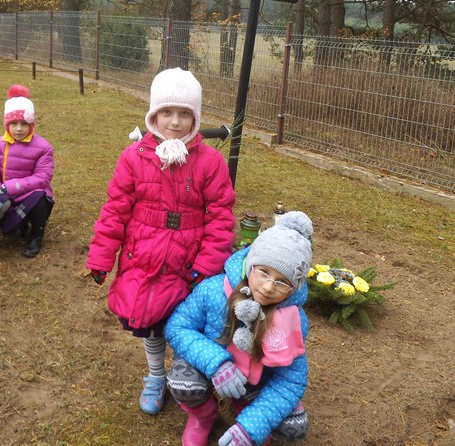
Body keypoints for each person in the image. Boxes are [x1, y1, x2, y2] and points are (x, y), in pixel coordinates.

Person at [86, 67, 236, 416]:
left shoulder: (210, 162)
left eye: (185, 113)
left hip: (188, 259)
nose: (175, 122)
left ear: (196, 117)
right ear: (153, 115)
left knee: (185, 322)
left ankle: (186, 377)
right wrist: (101, 257)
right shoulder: (134, 156)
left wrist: (206, 265)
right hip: (144, 254)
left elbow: (220, 217)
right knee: (151, 321)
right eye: (166, 112)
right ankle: (156, 376)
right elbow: (115, 210)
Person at [164, 212, 314, 446]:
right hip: (207, 365)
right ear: (250, 264)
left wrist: (252, 427)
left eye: (282, 282)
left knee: (295, 426)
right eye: (264, 272)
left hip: (259, 379)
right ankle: (203, 416)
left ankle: (245, 406)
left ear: (294, 287)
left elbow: (291, 380)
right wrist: (217, 364)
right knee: (183, 382)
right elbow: (177, 327)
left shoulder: (294, 319)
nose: (268, 287)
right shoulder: (214, 290)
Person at [0, 84, 54, 259]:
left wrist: (11, 186)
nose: (19, 129)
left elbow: (43, 177)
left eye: (24, 124)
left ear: (31, 124)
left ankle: (36, 235)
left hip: (28, 192)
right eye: (13, 123)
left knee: (41, 200)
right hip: (4, 193)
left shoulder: (44, 147)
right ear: (6, 124)